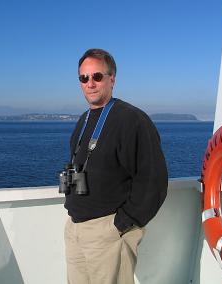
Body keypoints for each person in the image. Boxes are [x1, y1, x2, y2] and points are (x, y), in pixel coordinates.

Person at [63, 48, 168, 284]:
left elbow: (154, 181)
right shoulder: (85, 119)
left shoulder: (132, 120)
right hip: (76, 230)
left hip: (108, 232)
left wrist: (121, 224)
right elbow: (77, 164)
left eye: (97, 76)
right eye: (84, 78)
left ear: (112, 79)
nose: (90, 83)